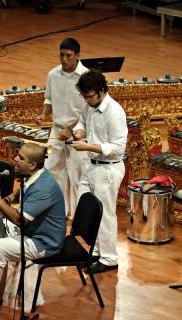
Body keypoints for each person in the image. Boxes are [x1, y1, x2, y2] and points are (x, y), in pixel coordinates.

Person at [0, 143, 66, 313]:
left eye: (21, 158)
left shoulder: (44, 188)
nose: (15, 159)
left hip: (43, 242)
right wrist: (8, 199)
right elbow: (21, 191)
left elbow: (19, 220)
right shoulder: (35, 175)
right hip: (34, 231)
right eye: (18, 154)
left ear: (32, 165)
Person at [69, 69, 127, 273]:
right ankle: (95, 251)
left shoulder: (114, 112)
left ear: (102, 91)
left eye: (90, 96)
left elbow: (118, 148)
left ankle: (110, 258)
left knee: (105, 214)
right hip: (92, 166)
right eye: (84, 97)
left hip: (108, 170)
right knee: (86, 208)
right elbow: (83, 122)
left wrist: (88, 146)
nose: (87, 100)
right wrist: (78, 133)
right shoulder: (90, 105)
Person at [36, 38, 89, 219]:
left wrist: (71, 130)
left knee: (76, 175)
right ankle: (59, 212)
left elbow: (87, 110)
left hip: (78, 133)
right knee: (52, 171)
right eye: (61, 55)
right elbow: (49, 98)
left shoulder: (86, 77)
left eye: (68, 55)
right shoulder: (53, 74)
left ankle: (77, 216)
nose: (64, 59)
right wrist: (44, 114)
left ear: (77, 56)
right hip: (57, 131)